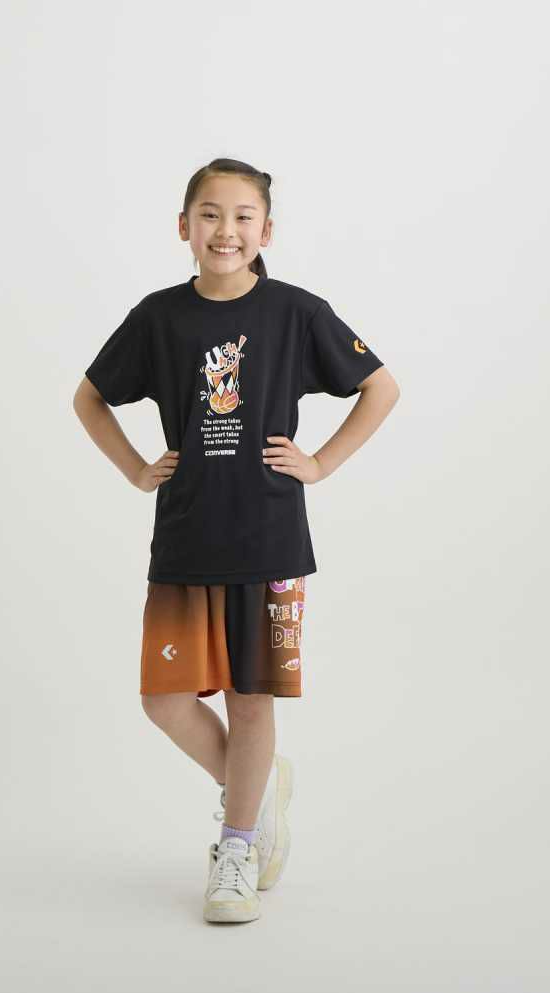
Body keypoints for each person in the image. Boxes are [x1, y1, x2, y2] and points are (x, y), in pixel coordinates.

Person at [73, 158, 400, 923]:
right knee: (164, 701)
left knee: (250, 702)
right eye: (210, 215)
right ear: (184, 227)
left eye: (243, 216)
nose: (226, 231)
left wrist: (320, 462)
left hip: (268, 540)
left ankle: (238, 846)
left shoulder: (296, 312)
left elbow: (380, 386)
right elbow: (90, 397)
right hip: (186, 537)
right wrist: (136, 469)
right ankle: (255, 785)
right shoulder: (159, 317)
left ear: (266, 231)